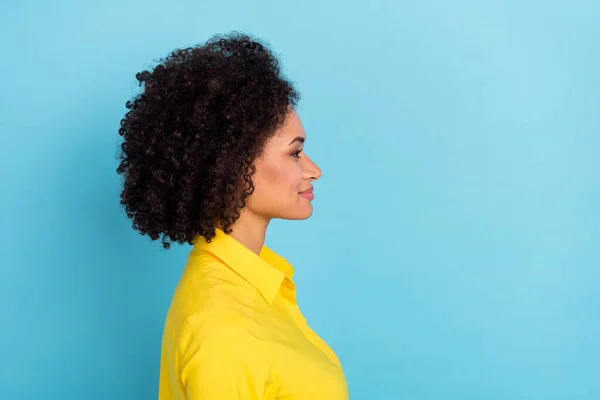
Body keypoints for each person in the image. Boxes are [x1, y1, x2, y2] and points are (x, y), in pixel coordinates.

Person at [116, 31, 349, 399]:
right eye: (295, 152)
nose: (313, 169)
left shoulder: (250, 283)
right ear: (233, 164)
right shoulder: (224, 327)